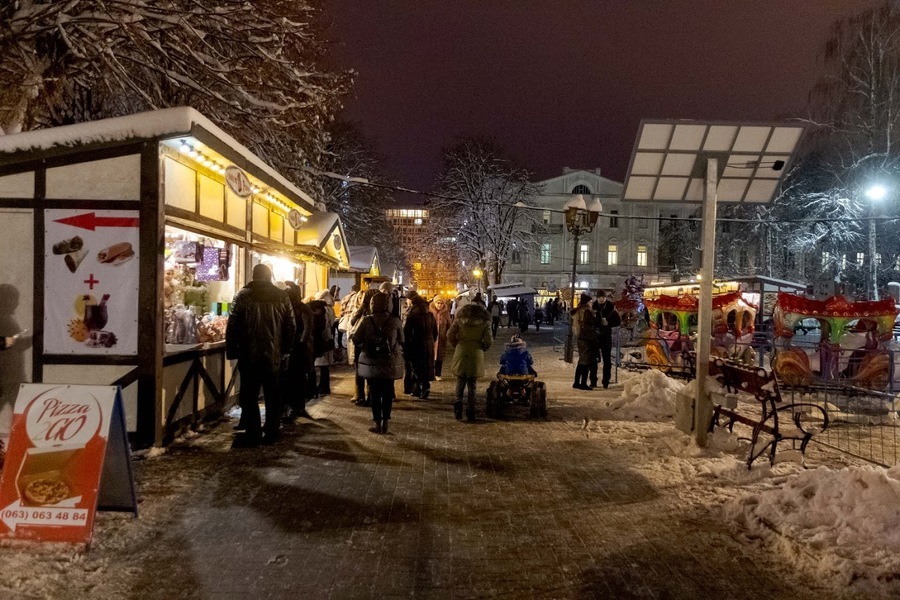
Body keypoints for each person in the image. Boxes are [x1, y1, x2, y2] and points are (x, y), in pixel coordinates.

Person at [226, 263, 296, 446]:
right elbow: (291, 326)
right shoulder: (282, 296)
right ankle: (272, 431)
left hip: (248, 354)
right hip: (273, 355)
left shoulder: (243, 296)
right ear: (269, 276)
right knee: (273, 394)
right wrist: (286, 350)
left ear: (253, 275)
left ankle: (253, 431)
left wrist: (233, 350)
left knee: (249, 396)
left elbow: (232, 324)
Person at [352, 291, 404, 434]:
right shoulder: (395, 320)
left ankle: (377, 423)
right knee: (387, 392)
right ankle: (386, 422)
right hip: (389, 362)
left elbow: (356, 339)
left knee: (374, 393)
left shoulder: (367, 320)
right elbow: (402, 339)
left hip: (371, 362)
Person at [447, 301, 493, 422]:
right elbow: (489, 340)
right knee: (472, 384)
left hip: (461, 350)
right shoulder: (485, 322)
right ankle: (471, 410)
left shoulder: (459, 320)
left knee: (460, 380)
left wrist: (456, 344)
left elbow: (450, 334)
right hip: (475, 352)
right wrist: (482, 347)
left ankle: (458, 405)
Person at [282, 282, 314, 421]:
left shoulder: (302, 308)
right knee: (289, 379)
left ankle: (297, 407)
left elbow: (307, 327)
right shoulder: (287, 307)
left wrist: (300, 343)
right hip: (290, 347)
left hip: (298, 349)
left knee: (297, 378)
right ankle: (292, 407)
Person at [403, 291, 438, 398]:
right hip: (428, 344)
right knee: (425, 366)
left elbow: (406, 333)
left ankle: (424, 386)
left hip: (415, 345)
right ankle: (419, 389)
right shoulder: (430, 315)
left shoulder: (411, 316)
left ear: (412, 302)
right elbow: (435, 332)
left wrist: (405, 346)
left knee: (416, 367)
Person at [349, 288, 381, 406]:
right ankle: (372, 395)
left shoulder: (362, 309)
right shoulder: (382, 312)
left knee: (360, 370)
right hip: (375, 345)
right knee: (372, 370)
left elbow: (352, 321)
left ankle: (359, 395)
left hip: (361, 344)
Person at [308, 289, 336, 396]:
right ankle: (324, 385)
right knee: (324, 365)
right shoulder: (330, 309)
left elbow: (323, 325)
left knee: (322, 364)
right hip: (327, 337)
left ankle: (323, 386)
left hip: (323, 338)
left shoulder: (324, 310)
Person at [593, 290, 621, 389]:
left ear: (605, 298)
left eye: (602, 297)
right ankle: (593, 380)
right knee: (593, 360)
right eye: (599, 297)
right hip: (595, 336)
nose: (601, 299)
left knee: (607, 360)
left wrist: (608, 323)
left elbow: (618, 322)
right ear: (597, 298)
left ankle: (606, 381)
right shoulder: (593, 307)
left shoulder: (611, 308)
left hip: (606, 336)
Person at [571, 292, 598, 390]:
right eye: (590, 302)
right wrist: (595, 317)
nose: (591, 304)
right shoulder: (586, 311)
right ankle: (583, 383)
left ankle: (577, 382)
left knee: (582, 360)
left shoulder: (578, 311)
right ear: (587, 303)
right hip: (586, 337)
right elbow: (590, 323)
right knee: (586, 361)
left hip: (580, 337)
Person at [430, 296, 452, 381]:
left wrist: (447, 334)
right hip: (431, 338)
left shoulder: (446, 313)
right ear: (434, 303)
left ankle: (438, 373)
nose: (440, 305)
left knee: (439, 357)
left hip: (441, 339)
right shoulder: (429, 312)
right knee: (431, 356)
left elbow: (450, 325)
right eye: (438, 303)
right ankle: (431, 373)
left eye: (441, 303)